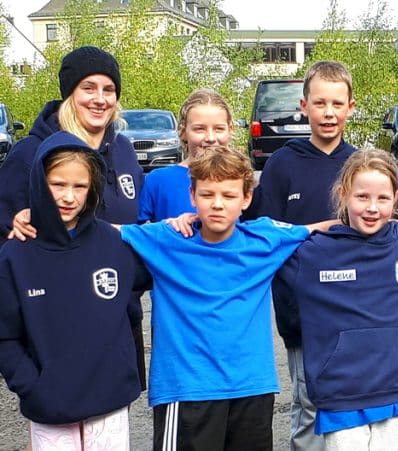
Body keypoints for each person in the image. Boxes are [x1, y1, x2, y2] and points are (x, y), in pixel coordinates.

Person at [119, 146, 335, 450]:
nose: (217, 204)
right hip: (187, 390)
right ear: (192, 196)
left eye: (229, 195)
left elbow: (323, 227)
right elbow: (102, 232)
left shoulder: (265, 239)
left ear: (246, 199)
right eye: (207, 195)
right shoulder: (166, 238)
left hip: (252, 389)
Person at [273, 149, 398, 451]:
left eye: (383, 198)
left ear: (396, 198)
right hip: (340, 393)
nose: (372, 208)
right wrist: (312, 228)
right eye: (362, 197)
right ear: (343, 194)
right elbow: (252, 240)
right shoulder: (312, 253)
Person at [0, 131, 150, 450]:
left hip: (109, 402)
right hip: (49, 405)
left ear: (92, 187)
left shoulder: (114, 243)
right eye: (58, 184)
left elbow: (132, 308)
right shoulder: (16, 254)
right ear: (39, 182)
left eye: (79, 186)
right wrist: (32, 386)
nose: (69, 196)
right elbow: (5, 336)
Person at [243, 60, 358, 451]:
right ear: (304, 106)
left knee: (351, 405)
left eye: (337, 104)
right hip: (302, 309)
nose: (328, 113)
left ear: (350, 107)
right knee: (309, 404)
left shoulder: (360, 164)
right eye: (320, 103)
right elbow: (266, 235)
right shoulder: (281, 164)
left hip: (354, 308)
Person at [0, 46, 143, 236]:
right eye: (88, 88)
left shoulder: (123, 149)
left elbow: (141, 221)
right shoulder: (30, 152)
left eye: (108, 90)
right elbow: (6, 230)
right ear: (69, 94)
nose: (100, 99)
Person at [138, 88, 235, 222]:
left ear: (230, 130)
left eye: (219, 129)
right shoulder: (158, 181)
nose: (210, 138)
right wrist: (168, 227)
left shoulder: (239, 180)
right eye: (199, 129)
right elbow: (136, 230)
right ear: (183, 132)